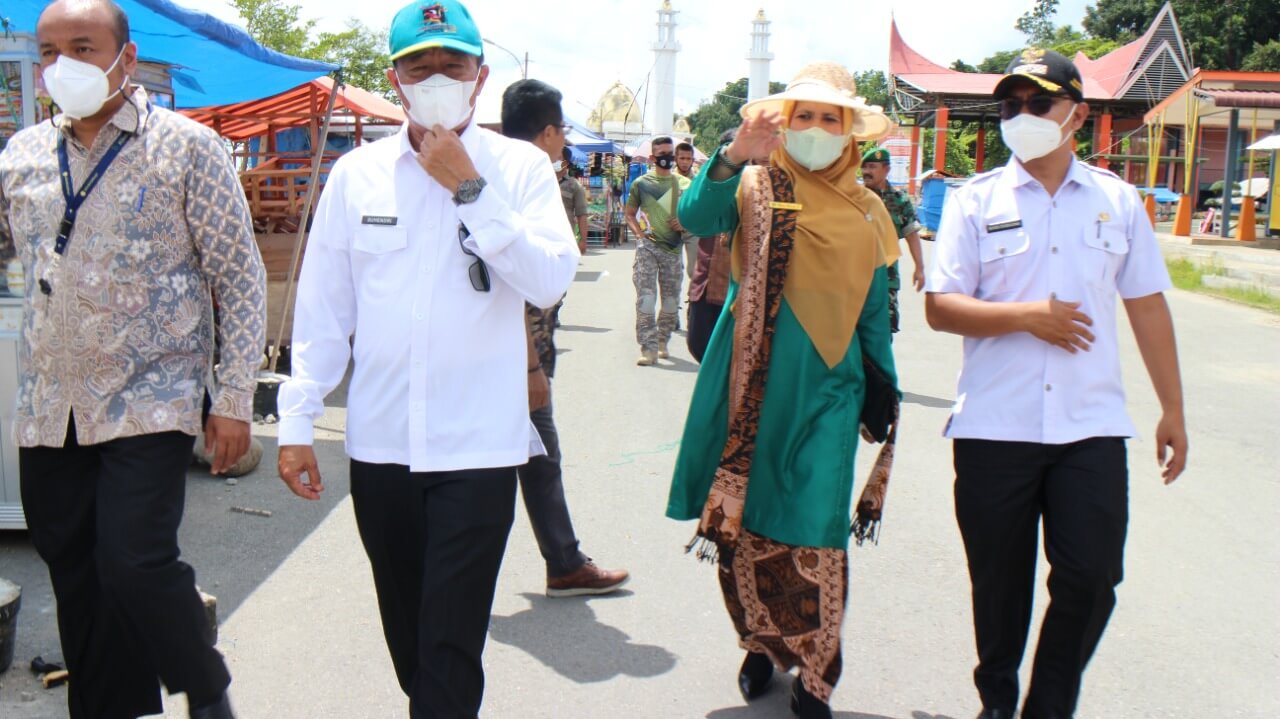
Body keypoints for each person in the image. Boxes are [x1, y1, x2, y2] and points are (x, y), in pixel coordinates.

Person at [274, 2, 579, 717]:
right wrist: (296, 421)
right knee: (414, 643)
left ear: (481, 76)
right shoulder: (358, 176)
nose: (436, 77)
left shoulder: (522, 169)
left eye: (453, 64)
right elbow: (324, 313)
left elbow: (548, 280)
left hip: (479, 448)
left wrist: (470, 189)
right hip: (382, 447)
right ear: (396, 77)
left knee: (449, 647)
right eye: (420, 65)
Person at [0, 1, 266, 717]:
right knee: (78, 576)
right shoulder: (22, 154)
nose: (64, 66)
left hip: (151, 395)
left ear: (126, 53)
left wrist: (234, 398)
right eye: (49, 50)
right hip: (49, 407)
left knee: (134, 559)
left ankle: (206, 689)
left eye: (82, 47)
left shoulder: (186, 147)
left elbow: (237, 273)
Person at [924, 49, 1188, 719]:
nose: (1021, 117)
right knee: (1000, 584)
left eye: (1038, 103)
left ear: (1078, 114)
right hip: (994, 427)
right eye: (1010, 105)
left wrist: (1173, 409)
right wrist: (1028, 318)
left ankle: (1048, 706)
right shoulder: (973, 200)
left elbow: (1148, 304)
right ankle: (998, 699)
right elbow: (940, 305)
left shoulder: (1117, 201)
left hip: (1089, 427)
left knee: (1093, 574)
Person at [666, 62, 899, 719]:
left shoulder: (870, 207)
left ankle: (818, 672)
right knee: (747, 518)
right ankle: (762, 646)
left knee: (819, 527)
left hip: (830, 388)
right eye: (806, 116)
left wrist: (887, 385)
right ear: (786, 124)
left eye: (832, 118)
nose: (819, 129)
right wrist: (736, 152)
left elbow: (874, 307)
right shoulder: (752, 185)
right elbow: (693, 214)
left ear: (851, 131)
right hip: (748, 386)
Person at [499, 78, 629, 597]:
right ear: (549, 131)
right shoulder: (525, 180)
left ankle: (563, 558)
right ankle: (564, 561)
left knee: (531, 459)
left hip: (511, 351)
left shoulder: (483, 170)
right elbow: (511, 287)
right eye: (560, 133)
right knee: (532, 458)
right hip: (514, 354)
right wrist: (531, 366)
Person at [625, 136, 690, 365]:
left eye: (669, 153)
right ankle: (648, 347)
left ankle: (662, 340)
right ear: (652, 158)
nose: (667, 158)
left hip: (673, 250)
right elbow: (630, 213)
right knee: (646, 298)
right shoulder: (641, 184)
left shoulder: (683, 184)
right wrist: (638, 234)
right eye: (661, 154)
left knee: (671, 302)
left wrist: (685, 223)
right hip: (648, 248)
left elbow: (695, 214)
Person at [861, 145, 925, 335]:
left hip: (886, 272)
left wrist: (919, 268)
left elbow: (911, 235)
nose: (866, 172)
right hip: (855, 270)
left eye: (872, 167)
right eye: (864, 167)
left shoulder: (900, 200)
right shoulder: (854, 197)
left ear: (886, 169)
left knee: (884, 324)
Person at [685, 130, 737, 363]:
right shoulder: (708, 184)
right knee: (700, 345)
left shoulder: (759, 188)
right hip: (706, 285)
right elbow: (691, 217)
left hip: (738, 292)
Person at [675, 141, 700, 275]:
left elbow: (700, 208)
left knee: (694, 271)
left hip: (692, 231)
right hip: (671, 231)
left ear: (693, 160)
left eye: (688, 158)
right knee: (674, 271)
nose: (685, 162)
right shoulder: (668, 179)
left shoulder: (698, 182)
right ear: (676, 159)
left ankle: (694, 296)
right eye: (682, 158)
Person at [559, 147, 590, 254]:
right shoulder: (541, 181)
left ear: (566, 163)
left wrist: (583, 240)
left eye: (558, 159)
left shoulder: (574, 185)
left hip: (565, 239)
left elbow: (582, 215)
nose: (553, 161)